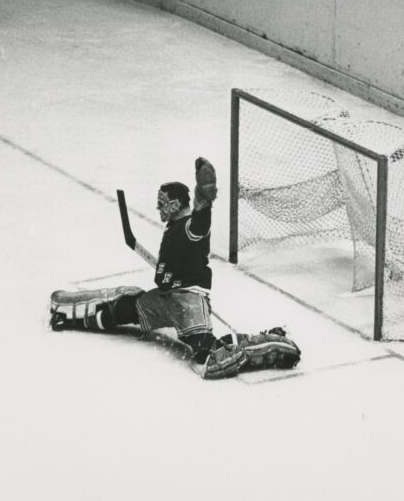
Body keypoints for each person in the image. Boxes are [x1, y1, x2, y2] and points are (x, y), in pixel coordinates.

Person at [49, 158, 301, 380]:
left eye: (163, 203)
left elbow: (200, 226)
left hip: (189, 300)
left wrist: (204, 200)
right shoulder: (173, 227)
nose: (159, 208)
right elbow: (166, 275)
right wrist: (165, 275)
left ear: (177, 203)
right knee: (125, 305)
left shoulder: (190, 226)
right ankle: (68, 316)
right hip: (166, 299)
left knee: (208, 357)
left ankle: (268, 347)